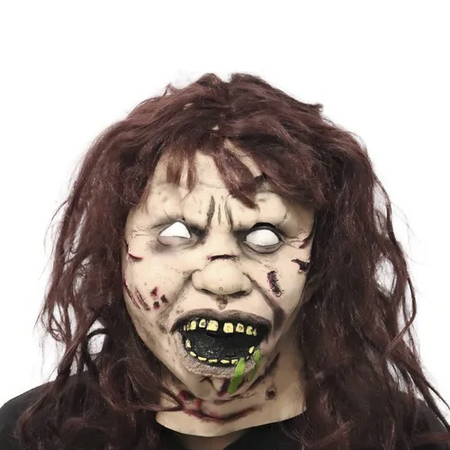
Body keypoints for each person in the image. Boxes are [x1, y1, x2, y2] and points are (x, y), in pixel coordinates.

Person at [0, 73, 449, 450]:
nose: (221, 278)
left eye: (265, 237)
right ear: (115, 254)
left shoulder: (401, 437)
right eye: (176, 234)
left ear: (323, 261)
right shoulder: (35, 434)